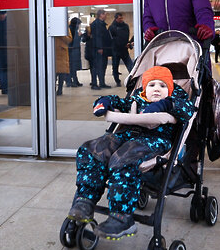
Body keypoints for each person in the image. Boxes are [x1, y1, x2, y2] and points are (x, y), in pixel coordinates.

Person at [66, 66, 195, 240]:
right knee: (93, 149)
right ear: (144, 88)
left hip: (155, 140)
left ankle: (122, 216)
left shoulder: (175, 100)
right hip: (127, 137)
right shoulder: (137, 99)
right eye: (152, 85)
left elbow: (187, 110)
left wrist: (164, 104)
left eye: (163, 86)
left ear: (170, 89)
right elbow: (119, 101)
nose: (157, 89)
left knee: (124, 159)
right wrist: (104, 101)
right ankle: (85, 200)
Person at [109, 12, 134, 87]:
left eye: (122, 18)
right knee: (115, 67)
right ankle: (117, 81)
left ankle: (133, 79)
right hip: (116, 50)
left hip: (124, 50)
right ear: (116, 19)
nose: (121, 20)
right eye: (119, 18)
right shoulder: (112, 27)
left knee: (130, 65)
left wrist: (128, 43)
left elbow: (127, 36)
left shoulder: (125, 26)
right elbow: (112, 40)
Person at [90, 9, 113, 90]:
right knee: (96, 67)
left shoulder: (102, 24)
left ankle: (102, 83)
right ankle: (94, 84)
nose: (106, 16)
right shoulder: (96, 24)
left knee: (103, 66)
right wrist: (99, 47)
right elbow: (97, 37)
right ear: (101, 15)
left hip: (104, 48)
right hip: (98, 49)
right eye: (105, 14)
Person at [68, 17, 83, 87]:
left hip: (74, 50)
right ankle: (72, 81)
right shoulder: (72, 30)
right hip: (72, 50)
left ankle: (74, 80)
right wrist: (79, 36)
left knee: (73, 67)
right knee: (73, 67)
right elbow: (72, 41)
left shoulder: (72, 29)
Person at [0, 11, 8, 94]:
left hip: (6, 47)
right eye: (0, 15)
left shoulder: (8, 21)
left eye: (4, 15)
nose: (2, 17)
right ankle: (5, 87)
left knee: (3, 67)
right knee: (0, 68)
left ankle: (5, 87)